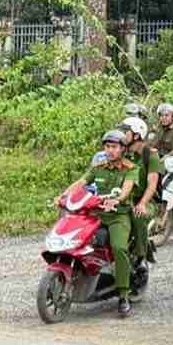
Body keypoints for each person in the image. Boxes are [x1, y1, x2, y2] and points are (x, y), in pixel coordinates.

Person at [56, 130, 139, 316]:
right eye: (107, 147)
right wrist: (63, 195)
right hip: (97, 215)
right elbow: (81, 183)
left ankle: (123, 295)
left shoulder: (130, 168)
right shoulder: (99, 167)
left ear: (123, 149)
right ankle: (79, 275)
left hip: (118, 215)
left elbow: (127, 189)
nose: (110, 151)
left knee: (118, 248)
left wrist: (118, 199)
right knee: (77, 239)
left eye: (114, 147)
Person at [119, 117, 163, 274]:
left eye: (126, 132)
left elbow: (152, 186)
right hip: (124, 199)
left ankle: (140, 257)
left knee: (137, 215)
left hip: (146, 201)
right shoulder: (122, 154)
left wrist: (142, 203)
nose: (122, 134)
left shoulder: (150, 156)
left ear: (137, 135)